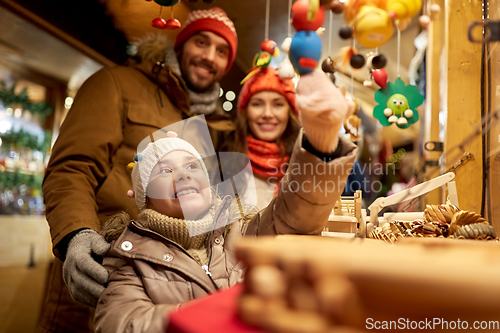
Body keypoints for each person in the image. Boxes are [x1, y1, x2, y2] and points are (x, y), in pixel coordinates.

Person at [93, 69, 358, 333]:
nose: (183, 174)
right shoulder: (131, 259)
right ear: (144, 196)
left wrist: (319, 143)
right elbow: (120, 323)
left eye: (192, 166)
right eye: (165, 170)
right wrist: (216, 313)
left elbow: (291, 215)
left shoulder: (240, 232)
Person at [37, 8, 237, 333]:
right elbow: (71, 169)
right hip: (103, 265)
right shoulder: (116, 82)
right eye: (201, 42)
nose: (209, 56)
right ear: (181, 44)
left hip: (170, 284)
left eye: (222, 51)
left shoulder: (210, 125)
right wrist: (76, 235)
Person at [227, 67, 301, 210]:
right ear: (246, 111)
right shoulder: (224, 161)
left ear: (290, 112)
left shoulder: (304, 165)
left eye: (278, 104)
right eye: (257, 104)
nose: (267, 113)